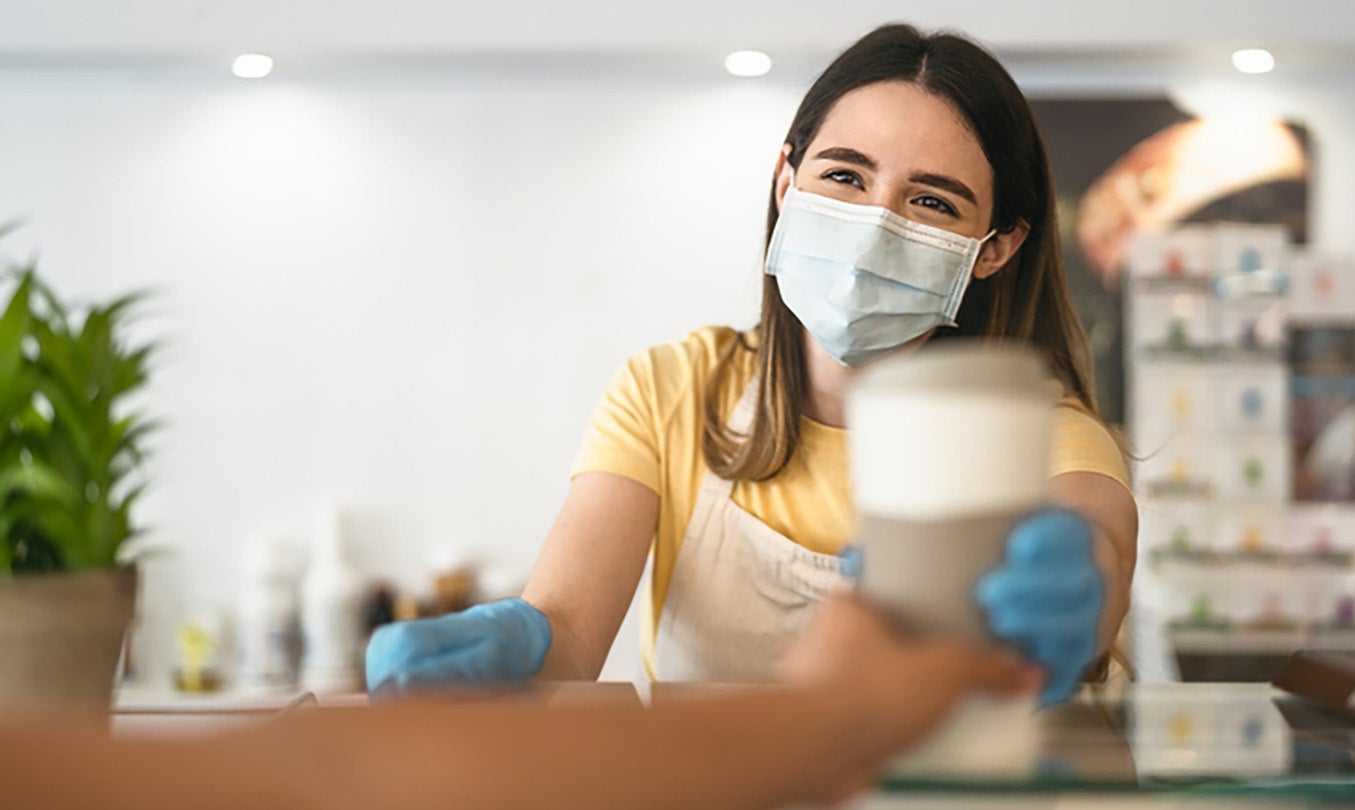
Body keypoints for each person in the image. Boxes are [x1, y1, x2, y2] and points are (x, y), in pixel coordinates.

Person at [367, 23, 1137, 705]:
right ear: (785, 180)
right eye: (844, 175)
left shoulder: (1043, 434)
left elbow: (1096, 535)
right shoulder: (673, 389)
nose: (874, 227)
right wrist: (517, 645)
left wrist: (1084, 587)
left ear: (995, 247)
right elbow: (567, 632)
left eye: (931, 202)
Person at [4, 597, 1040, 810]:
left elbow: (343, 778)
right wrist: (832, 715)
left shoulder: (1050, 419)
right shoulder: (678, 382)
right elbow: (346, 781)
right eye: (845, 176)